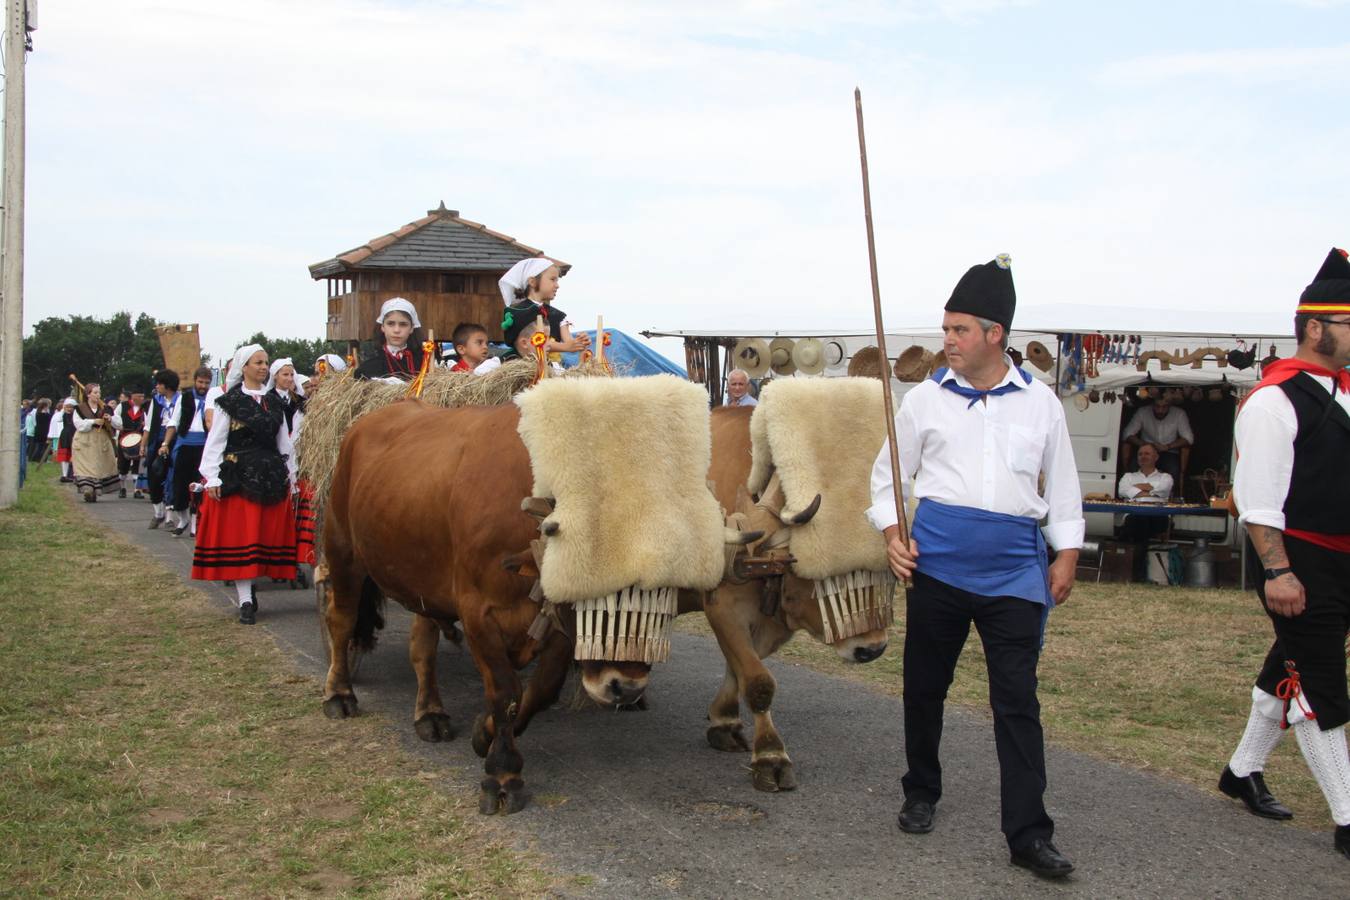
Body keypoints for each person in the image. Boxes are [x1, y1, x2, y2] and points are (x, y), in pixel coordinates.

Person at [868, 254, 1082, 880]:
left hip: (1016, 570)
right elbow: (887, 479)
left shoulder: (1042, 405)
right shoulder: (924, 402)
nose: (948, 342)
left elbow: (1064, 490)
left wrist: (1065, 554)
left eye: (960, 330)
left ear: (996, 335)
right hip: (936, 565)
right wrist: (891, 533)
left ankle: (1029, 835)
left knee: (1017, 700)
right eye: (946, 329)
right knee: (925, 686)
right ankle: (921, 790)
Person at [1219, 247, 1350, 861]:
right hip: (1299, 560)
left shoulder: (1343, 391)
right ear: (1316, 327)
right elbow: (1259, 500)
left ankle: (1242, 770)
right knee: (1322, 683)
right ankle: (1349, 818)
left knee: (1290, 664)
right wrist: (1278, 570)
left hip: (1342, 560)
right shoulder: (1274, 401)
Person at [192, 344, 298, 625]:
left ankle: (249, 588)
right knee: (244, 538)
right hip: (239, 476)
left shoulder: (275, 402)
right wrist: (212, 475)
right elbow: (216, 440)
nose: (263, 367)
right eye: (258, 362)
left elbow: (284, 443)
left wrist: (291, 474)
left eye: (265, 362)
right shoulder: (230, 401)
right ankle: (245, 599)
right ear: (245, 367)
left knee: (261, 538)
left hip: (270, 476)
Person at [266, 358, 314, 578]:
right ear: (275, 376)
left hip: (295, 455)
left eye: (291, 374)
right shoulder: (267, 400)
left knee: (293, 510)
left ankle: (289, 558)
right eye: (284, 374)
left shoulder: (299, 401)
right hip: (273, 455)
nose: (288, 378)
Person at [498, 257, 591, 356]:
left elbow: (569, 342)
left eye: (557, 280)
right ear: (532, 282)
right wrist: (565, 347)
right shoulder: (518, 312)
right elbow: (528, 341)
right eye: (552, 279)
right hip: (523, 367)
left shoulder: (558, 316)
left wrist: (579, 342)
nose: (557, 285)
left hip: (550, 367)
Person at [162, 367, 214, 536]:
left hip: (204, 446)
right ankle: (183, 519)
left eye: (206, 383)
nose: (203, 386)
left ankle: (194, 524)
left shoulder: (213, 399)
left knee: (198, 485)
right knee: (180, 485)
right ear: (195, 381)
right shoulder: (184, 398)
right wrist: (165, 443)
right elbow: (174, 422)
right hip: (184, 444)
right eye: (200, 382)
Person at [1117, 442, 1172, 580]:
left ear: (1156, 457)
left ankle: (1138, 574)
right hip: (1134, 517)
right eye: (1140, 454)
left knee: (1143, 526)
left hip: (1158, 517)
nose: (1143, 456)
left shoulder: (1165, 477)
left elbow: (1164, 489)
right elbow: (1122, 491)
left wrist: (1135, 490)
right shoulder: (1128, 476)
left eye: (1147, 453)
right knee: (1140, 521)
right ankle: (1142, 573)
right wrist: (1150, 491)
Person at [1122, 395, 1192, 491]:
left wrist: (1168, 446)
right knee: (1134, 466)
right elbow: (1127, 434)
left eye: (1164, 407)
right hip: (1147, 450)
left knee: (1174, 470)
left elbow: (1189, 439)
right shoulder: (1143, 412)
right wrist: (1145, 445)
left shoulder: (1179, 413)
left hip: (1168, 452)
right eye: (1157, 406)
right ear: (1152, 405)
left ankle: (1171, 497)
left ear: (1170, 406)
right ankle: (1135, 493)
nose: (1160, 410)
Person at [142, 369, 180, 529]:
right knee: (154, 475)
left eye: (159, 383)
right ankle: (158, 513)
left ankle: (170, 517)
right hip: (157, 442)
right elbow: (149, 424)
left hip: (176, 441)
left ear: (168, 385)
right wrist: (143, 445)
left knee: (172, 478)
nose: (157, 386)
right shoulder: (156, 401)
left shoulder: (181, 399)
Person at [71, 383, 121, 502]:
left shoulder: (106, 408)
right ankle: (88, 489)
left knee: (99, 466)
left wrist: (110, 419)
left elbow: (119, 424)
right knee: (85, 466)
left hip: (101, 440)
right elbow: (78, 424)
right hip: (84, 440)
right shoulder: (80, 408)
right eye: (95, 392)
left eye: (99, 392)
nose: (98, 395)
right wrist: (93, 421)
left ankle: (94, 491)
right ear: (88, 394)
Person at [355, 298, 428, 380]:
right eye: (390, 324)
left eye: (403, 324)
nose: (396, 330)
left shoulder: (425, 365)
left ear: (411, 328)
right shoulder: (367, 369)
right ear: (382, 327)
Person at [112, 389, 148, 499]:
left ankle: (137, 490)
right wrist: (119, 426)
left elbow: (148, 421)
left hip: (139, 439)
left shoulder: (145, 407)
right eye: (139, 396)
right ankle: (122, 488)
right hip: (124, 438)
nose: (142, 398)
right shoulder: (122, 406)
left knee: (137, 466)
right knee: (123, 466)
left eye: (143, 396)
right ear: (133, 396)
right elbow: (115, 418)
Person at [54, 398, 76, 481]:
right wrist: (63, 410)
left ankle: (73, 474)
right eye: (67, 407)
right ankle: (64, 475)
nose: (69, 409)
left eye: (71, 407)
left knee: (74, 455)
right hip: (65, 436)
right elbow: (58, 419)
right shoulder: (62, 414)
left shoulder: (76, 415)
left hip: (74, 435)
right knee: (64, 456)